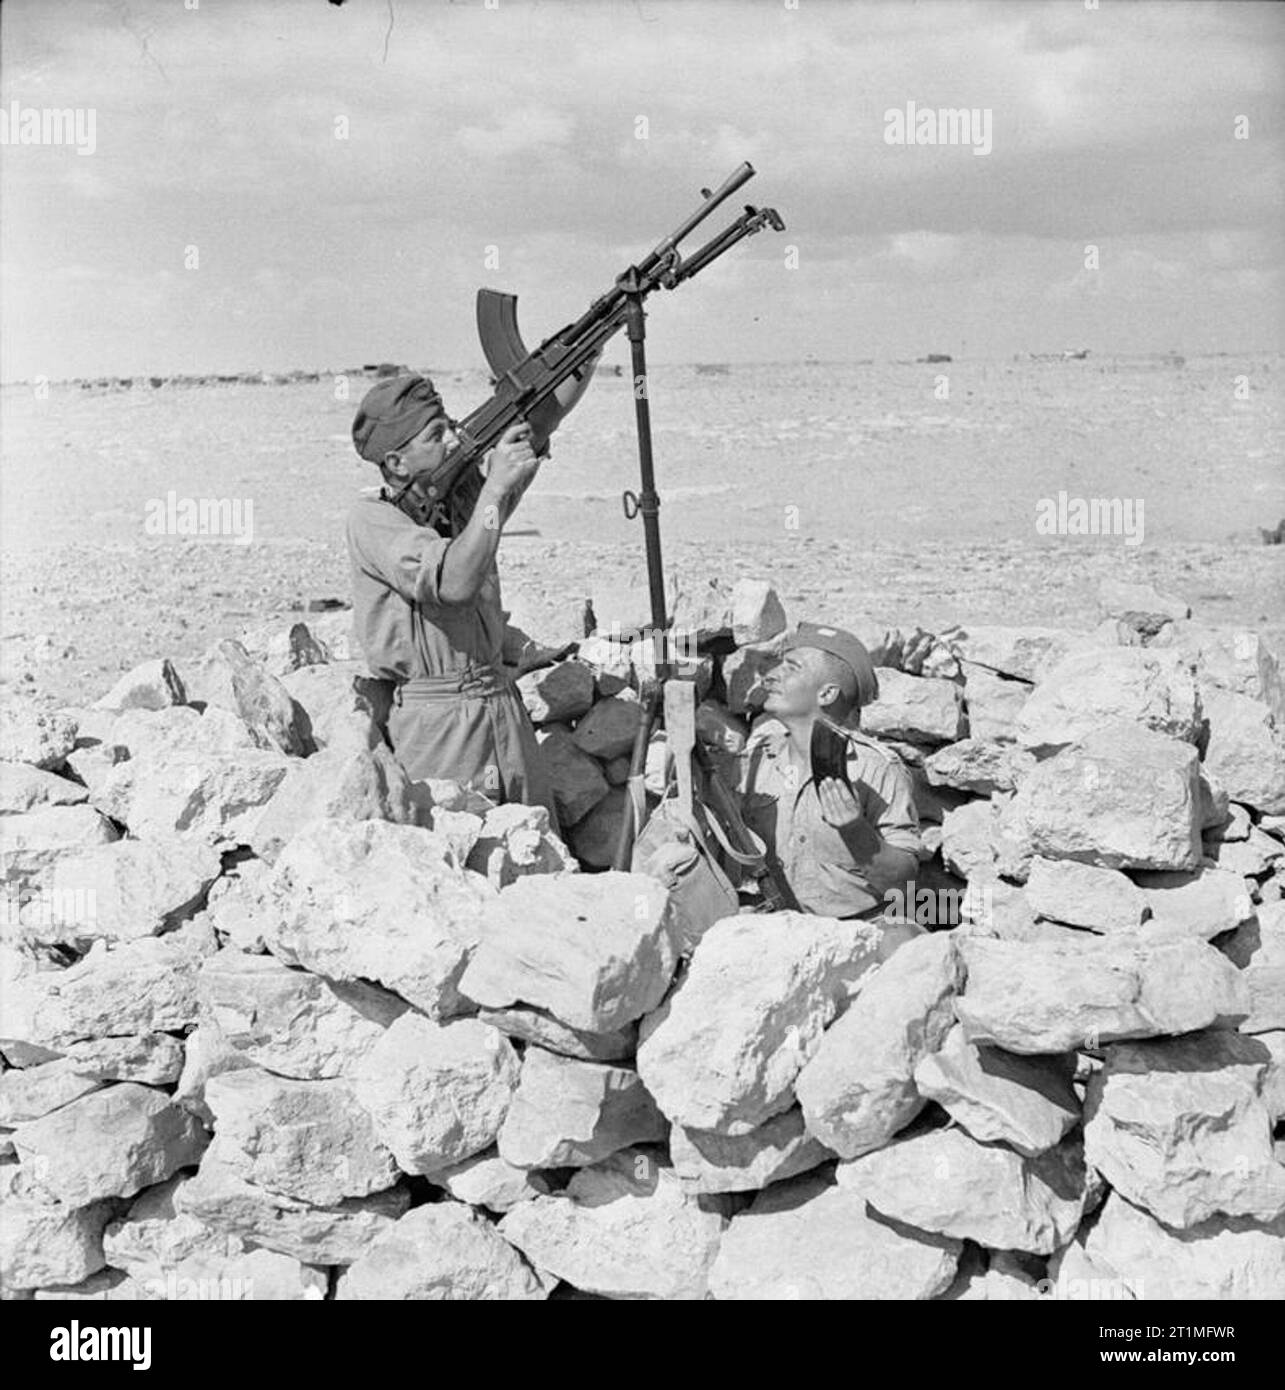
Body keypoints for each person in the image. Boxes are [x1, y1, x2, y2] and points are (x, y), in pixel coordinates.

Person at [344, 372, 559, 826]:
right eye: (436, 434)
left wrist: (591, 345)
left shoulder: (463, 500)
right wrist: (494, 490)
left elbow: (544, 418)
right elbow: (454, 584)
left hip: (503, 714)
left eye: (449, 425)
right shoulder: (374, 519)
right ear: (398, 463)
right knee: (469, 868)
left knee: (542, 871)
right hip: (440, 732)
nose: (454, 439)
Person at [735, 621, 923, 933]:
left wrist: (856, 831)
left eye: (792, 667)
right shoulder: (756, 761)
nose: (772, 676)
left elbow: (902, 887)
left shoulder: (876, 769)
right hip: (776, 929)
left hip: (860, 932)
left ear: (827, 693)